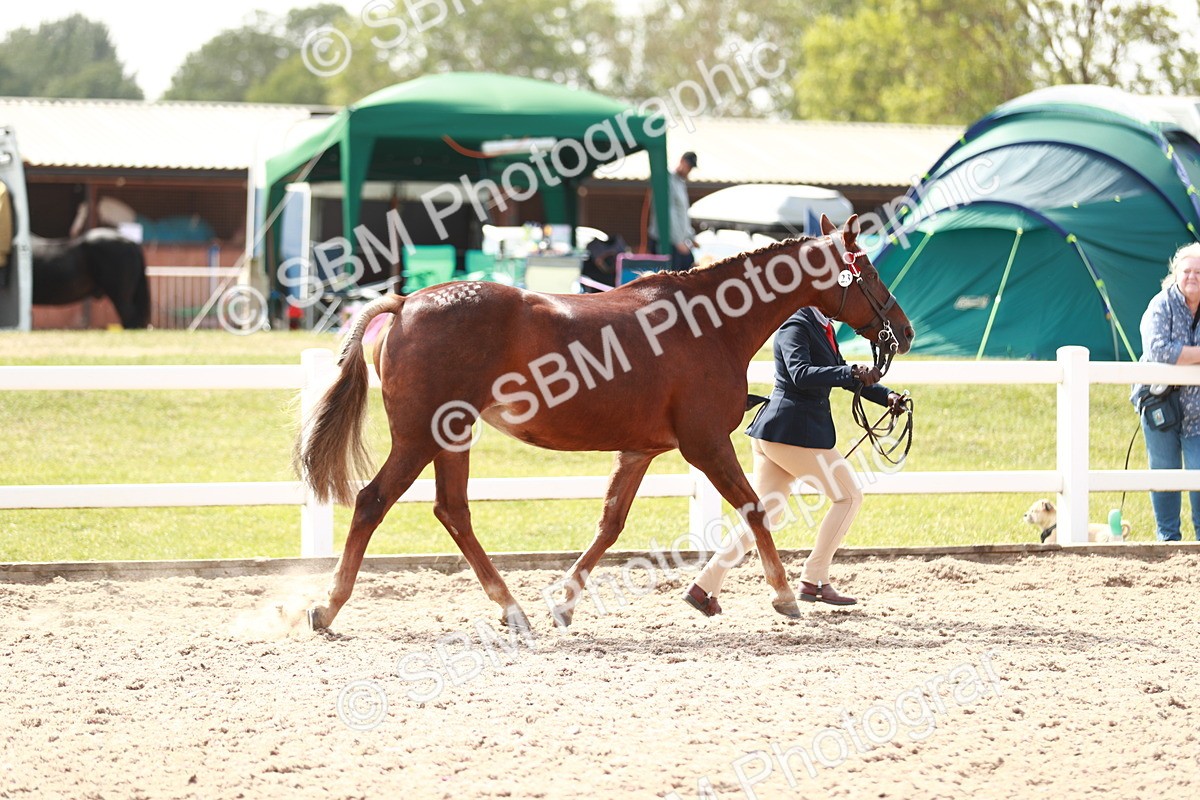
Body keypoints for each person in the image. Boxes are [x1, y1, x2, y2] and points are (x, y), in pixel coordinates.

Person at [683, 306, 907, 616]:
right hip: (792, 433)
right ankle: (814, 579)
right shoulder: (794, 324)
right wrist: (849, 372)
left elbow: (843, 372)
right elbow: (800, 374)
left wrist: (886, 396)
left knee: (764, 516)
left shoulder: (821, 326)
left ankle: (704, 586)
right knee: (849, 496)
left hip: (782, 433)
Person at [1132, 242, 1200, 541]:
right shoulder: (1160, 304)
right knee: (1163, 472)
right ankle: (1168, 540)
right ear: (1176, 273)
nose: (1192, 277)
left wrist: (1183, 354)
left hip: (1198, 411)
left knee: (1199, 474)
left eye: (1199, 272)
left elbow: (1172, 352)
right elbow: (1158, 350)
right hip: (1161, 405)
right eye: (1186, 271)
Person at [647, 151, 697, 271]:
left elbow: (682, 214)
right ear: (682, 162)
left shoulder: (681, 183)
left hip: (678, 241)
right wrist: (678, 241)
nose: (688, 170)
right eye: (688, 166)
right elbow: (669, 213)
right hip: (666, 240)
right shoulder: (668, 180)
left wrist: (691, 237)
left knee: (689, 265)